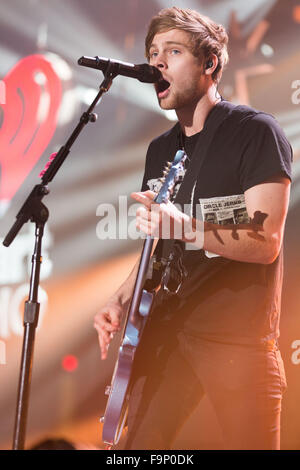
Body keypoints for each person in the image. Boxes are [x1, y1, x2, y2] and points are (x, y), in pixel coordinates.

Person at [94, 7, 292, 450]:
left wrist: (185, 226)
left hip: (237, 339)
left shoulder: (255, 132)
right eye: (152, 53)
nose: (156, 62)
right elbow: (158, 242)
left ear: (210, 64)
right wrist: (122, 295)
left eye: (173, 51)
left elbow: (266, 243)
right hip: (168, 333)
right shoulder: (160, 148)